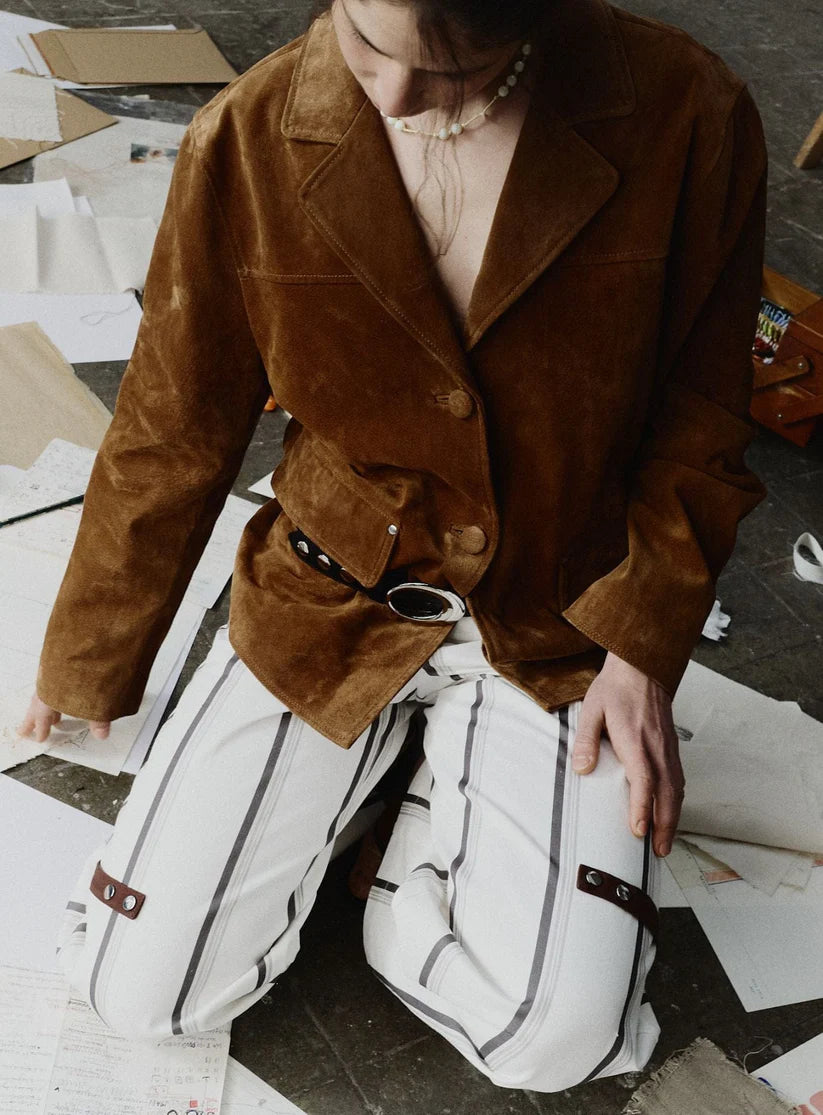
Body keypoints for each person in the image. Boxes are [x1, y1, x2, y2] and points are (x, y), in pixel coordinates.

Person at [17, 0, 767, 1093]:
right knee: (139, 992)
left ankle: (392, 846)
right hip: (330, 594)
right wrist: (89, 653)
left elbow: (703, 419)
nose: (397, 98)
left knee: (557, 1039)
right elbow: (172, 418)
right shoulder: (248, 133)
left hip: (561, 610)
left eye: (455, 71)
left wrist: (642, 648)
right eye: (367, 45)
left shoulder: (686, 110)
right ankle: (372, 780)